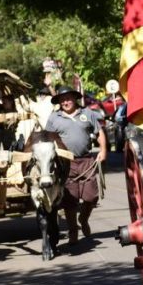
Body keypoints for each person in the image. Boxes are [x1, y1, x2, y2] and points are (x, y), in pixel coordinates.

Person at [45, 86, 107, 244]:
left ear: (74, 98)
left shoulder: (87, 113)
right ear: (58, 101)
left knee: (91, 196)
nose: (66, 102)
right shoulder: (54, 118)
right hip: (65, 164)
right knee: (70, 201)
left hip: (87, 161)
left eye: (68, 98)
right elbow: (48, 140)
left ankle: (84, 218)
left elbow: (99, 132)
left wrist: (103, 150)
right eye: (62, 99)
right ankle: (73, 230)